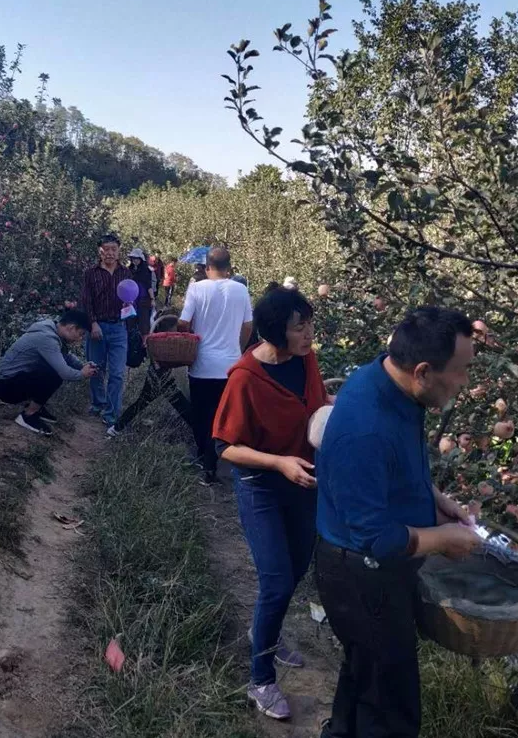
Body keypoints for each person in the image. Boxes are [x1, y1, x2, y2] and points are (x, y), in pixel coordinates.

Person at [315, 306, 483, 738]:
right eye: (461, 372)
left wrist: (437, 500)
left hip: (369, 571)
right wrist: (443, 538)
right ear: (424, 371)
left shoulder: (393, 384)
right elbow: (377, 539)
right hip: (360, 576)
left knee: (365, 675)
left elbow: (396, 473)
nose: (465, 383)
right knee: (391, 710)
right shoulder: (366, 428)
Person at [211, 285, 329, 721]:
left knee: (297, 568)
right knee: (277, 580)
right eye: (301, 327)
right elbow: (225, 446)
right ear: (277, 331)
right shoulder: (246, 377)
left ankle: (267, 631)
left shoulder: (306, 361)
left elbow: (313, 407)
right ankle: (260, 679)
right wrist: (278, 462)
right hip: (262, 485)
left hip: (303, 481)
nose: (309, 334)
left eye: (310, 324)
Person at [178, 246, 252, 484]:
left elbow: (183, 322)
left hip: (202, 364)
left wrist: (190, 337)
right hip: (231, 365)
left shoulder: (197, 288)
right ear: (230, 268)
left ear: (207, 267)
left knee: (202, 414)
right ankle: (226, 460)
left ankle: (206, 462)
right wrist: (237, 348)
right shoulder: (241, 290)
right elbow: (248, 326)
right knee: (226, 415)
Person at [0, 309, 99, 435]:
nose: (80, 339)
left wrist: (83, 366)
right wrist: (82, 373)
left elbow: (66, 357)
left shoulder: (52, 331)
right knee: (54, 373)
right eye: (81, 334)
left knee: (52, 367)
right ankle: (28, 415)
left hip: (12, 380)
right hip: (6, 388)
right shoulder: (47, 338)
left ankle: (36, 407)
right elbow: (65, 373)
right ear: (71, 328)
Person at [106, 315, 191, 438]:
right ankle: (116, 428)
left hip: (160, 375)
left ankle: (116, 428)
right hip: (158, 375)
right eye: (175, 332)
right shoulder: (161, 344)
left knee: (146, 402)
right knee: (177, 404)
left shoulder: (162, 344)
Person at [81, 233, 130, 428]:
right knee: (96, 369)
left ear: (118, 252)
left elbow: (131, 299)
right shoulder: (90, 273)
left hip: (119, 327)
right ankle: (98, 403)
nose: (109, 253)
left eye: (113, 249)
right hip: (98, 326)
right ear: (99, 251)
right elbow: (86, 301)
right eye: (106, 249)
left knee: (117, 373)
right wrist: (92, 324)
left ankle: (111, 413)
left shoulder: (125, 273)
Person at [128, 247, 156, 337]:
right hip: (131, 300)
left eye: (136, 258)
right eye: (133, 258)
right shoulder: (130, 270)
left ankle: (144, 344)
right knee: (129, 323)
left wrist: (152, 299)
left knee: (144, 324)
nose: (134, 261)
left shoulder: (146, 271)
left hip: (143, 300)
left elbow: (149, 286)